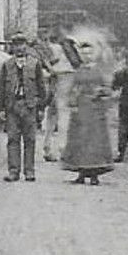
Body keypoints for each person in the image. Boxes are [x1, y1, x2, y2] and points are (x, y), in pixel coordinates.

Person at [62, 39, 115, 185]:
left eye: (89, 54)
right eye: (84, 54)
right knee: (80, 141)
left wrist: (101, 92)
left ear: (93, 54)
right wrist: (72, 101)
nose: (87, 57)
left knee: (94, 142)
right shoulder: (79, 71)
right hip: (80, 110)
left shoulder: (99, 71)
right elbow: (73, 89)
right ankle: (81, 173)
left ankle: (94, 175)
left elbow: (108, 89)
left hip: (95, 110)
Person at [0, 34, 47, 182]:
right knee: (12, 139)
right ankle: (13, 171)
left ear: (26, 46)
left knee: (30, 139)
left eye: (22, 44)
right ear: (12, 47)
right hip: (12, 106)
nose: (19, 47)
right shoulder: (7, 65)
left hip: (29, 106)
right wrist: (0, 109)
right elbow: (0, 88)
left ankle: (29, 171)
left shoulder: (35, 64)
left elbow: (42, 87)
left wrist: (41, 107)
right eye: (16, 44)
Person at [42, 31, 77, 162]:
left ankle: (48, 147)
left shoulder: (53, 49)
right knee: (62, 116)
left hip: (55, 81)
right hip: (64, 80)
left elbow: (49, 67)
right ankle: (61, 148)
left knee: (52, 116)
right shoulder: (69, 52)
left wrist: (50, 68)